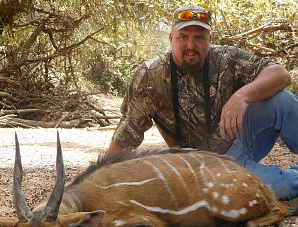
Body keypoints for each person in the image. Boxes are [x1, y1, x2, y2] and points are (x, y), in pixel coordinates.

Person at [107, 4, 298, 201]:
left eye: (199, 37)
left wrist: (242, 96)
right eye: (183, 37)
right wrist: (102, 183)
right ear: (171, 39)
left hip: (242, 139)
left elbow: (280, 74)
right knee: (278, 189)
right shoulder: (149, 76)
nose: (191, 45)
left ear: (210, 40)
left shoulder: (227, 57)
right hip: (201, 170)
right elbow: (125, 137)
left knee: (283, 100)